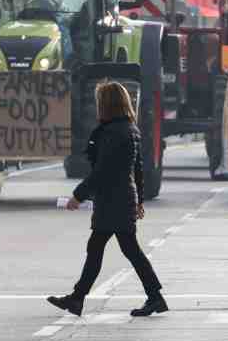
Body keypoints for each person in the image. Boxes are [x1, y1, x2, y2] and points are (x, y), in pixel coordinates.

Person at [47, 82, 167, 317]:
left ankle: (80, 298)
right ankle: (80, 298)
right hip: (121, 197)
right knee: (115, 248)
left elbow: (102, 171)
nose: (97, 105)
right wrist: (139, 199)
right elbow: (138, 169)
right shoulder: (128, 128)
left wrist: (78, 196)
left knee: (114, 249)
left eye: (99, 100)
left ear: (107, 104)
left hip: (114, 199)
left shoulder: (113, 132)